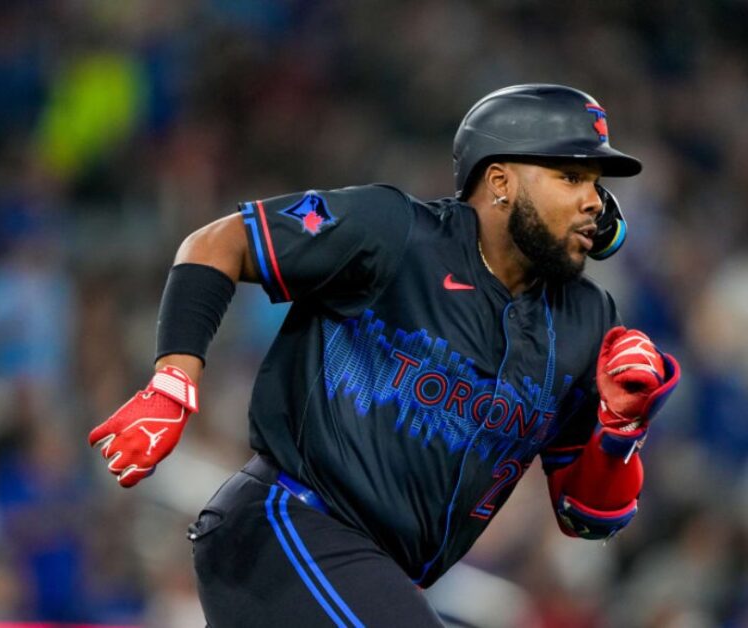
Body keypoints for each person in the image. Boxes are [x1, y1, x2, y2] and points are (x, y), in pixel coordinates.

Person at [88, 84, 680, 627]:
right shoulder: (396, 231)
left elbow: (587, 516)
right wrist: (172, 380)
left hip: (378, 575)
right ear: (500, 180)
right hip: (284, 527)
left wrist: (621, 429)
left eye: (597, 184)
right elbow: (217, 244)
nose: (595, 203)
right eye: (572, 177)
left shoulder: (586, 319)